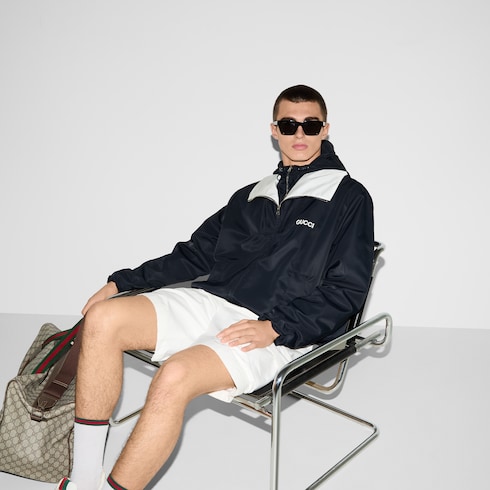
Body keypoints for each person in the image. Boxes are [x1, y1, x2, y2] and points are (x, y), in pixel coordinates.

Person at [55, 84, 374, 490]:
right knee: (104, 318)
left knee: (174, 376)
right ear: (273, 130)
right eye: (288, 125)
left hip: (278, 327)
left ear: (324, 130)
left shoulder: (349, 197)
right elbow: (195, 255)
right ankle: (84, 480)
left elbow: (347, 289)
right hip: (214, 301)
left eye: (310, 125)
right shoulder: (250, 196)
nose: (299, 134)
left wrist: (276, 327)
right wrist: (121, 282)